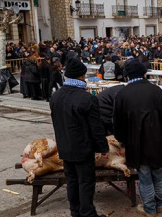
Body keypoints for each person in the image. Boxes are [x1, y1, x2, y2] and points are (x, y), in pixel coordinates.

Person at [113, 59, 162, 215]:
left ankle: (149, 208)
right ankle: (160, 204)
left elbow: (117, 123)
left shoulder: (122, 94)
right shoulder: (156, 91)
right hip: (157, 141)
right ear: (144, 73)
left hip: (136, 144)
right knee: (158, 173)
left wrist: (121, 141)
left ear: (127, 75)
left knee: (145, 175)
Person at [50, 58, 109, 217]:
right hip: (82, 149)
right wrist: (103, 147)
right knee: (85, 182)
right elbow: (96, 128)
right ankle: (88, 213)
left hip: (64, 147)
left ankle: (75, 212)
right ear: (82, 76)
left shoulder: (56, 96)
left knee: (72, 181)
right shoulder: (87, 98)